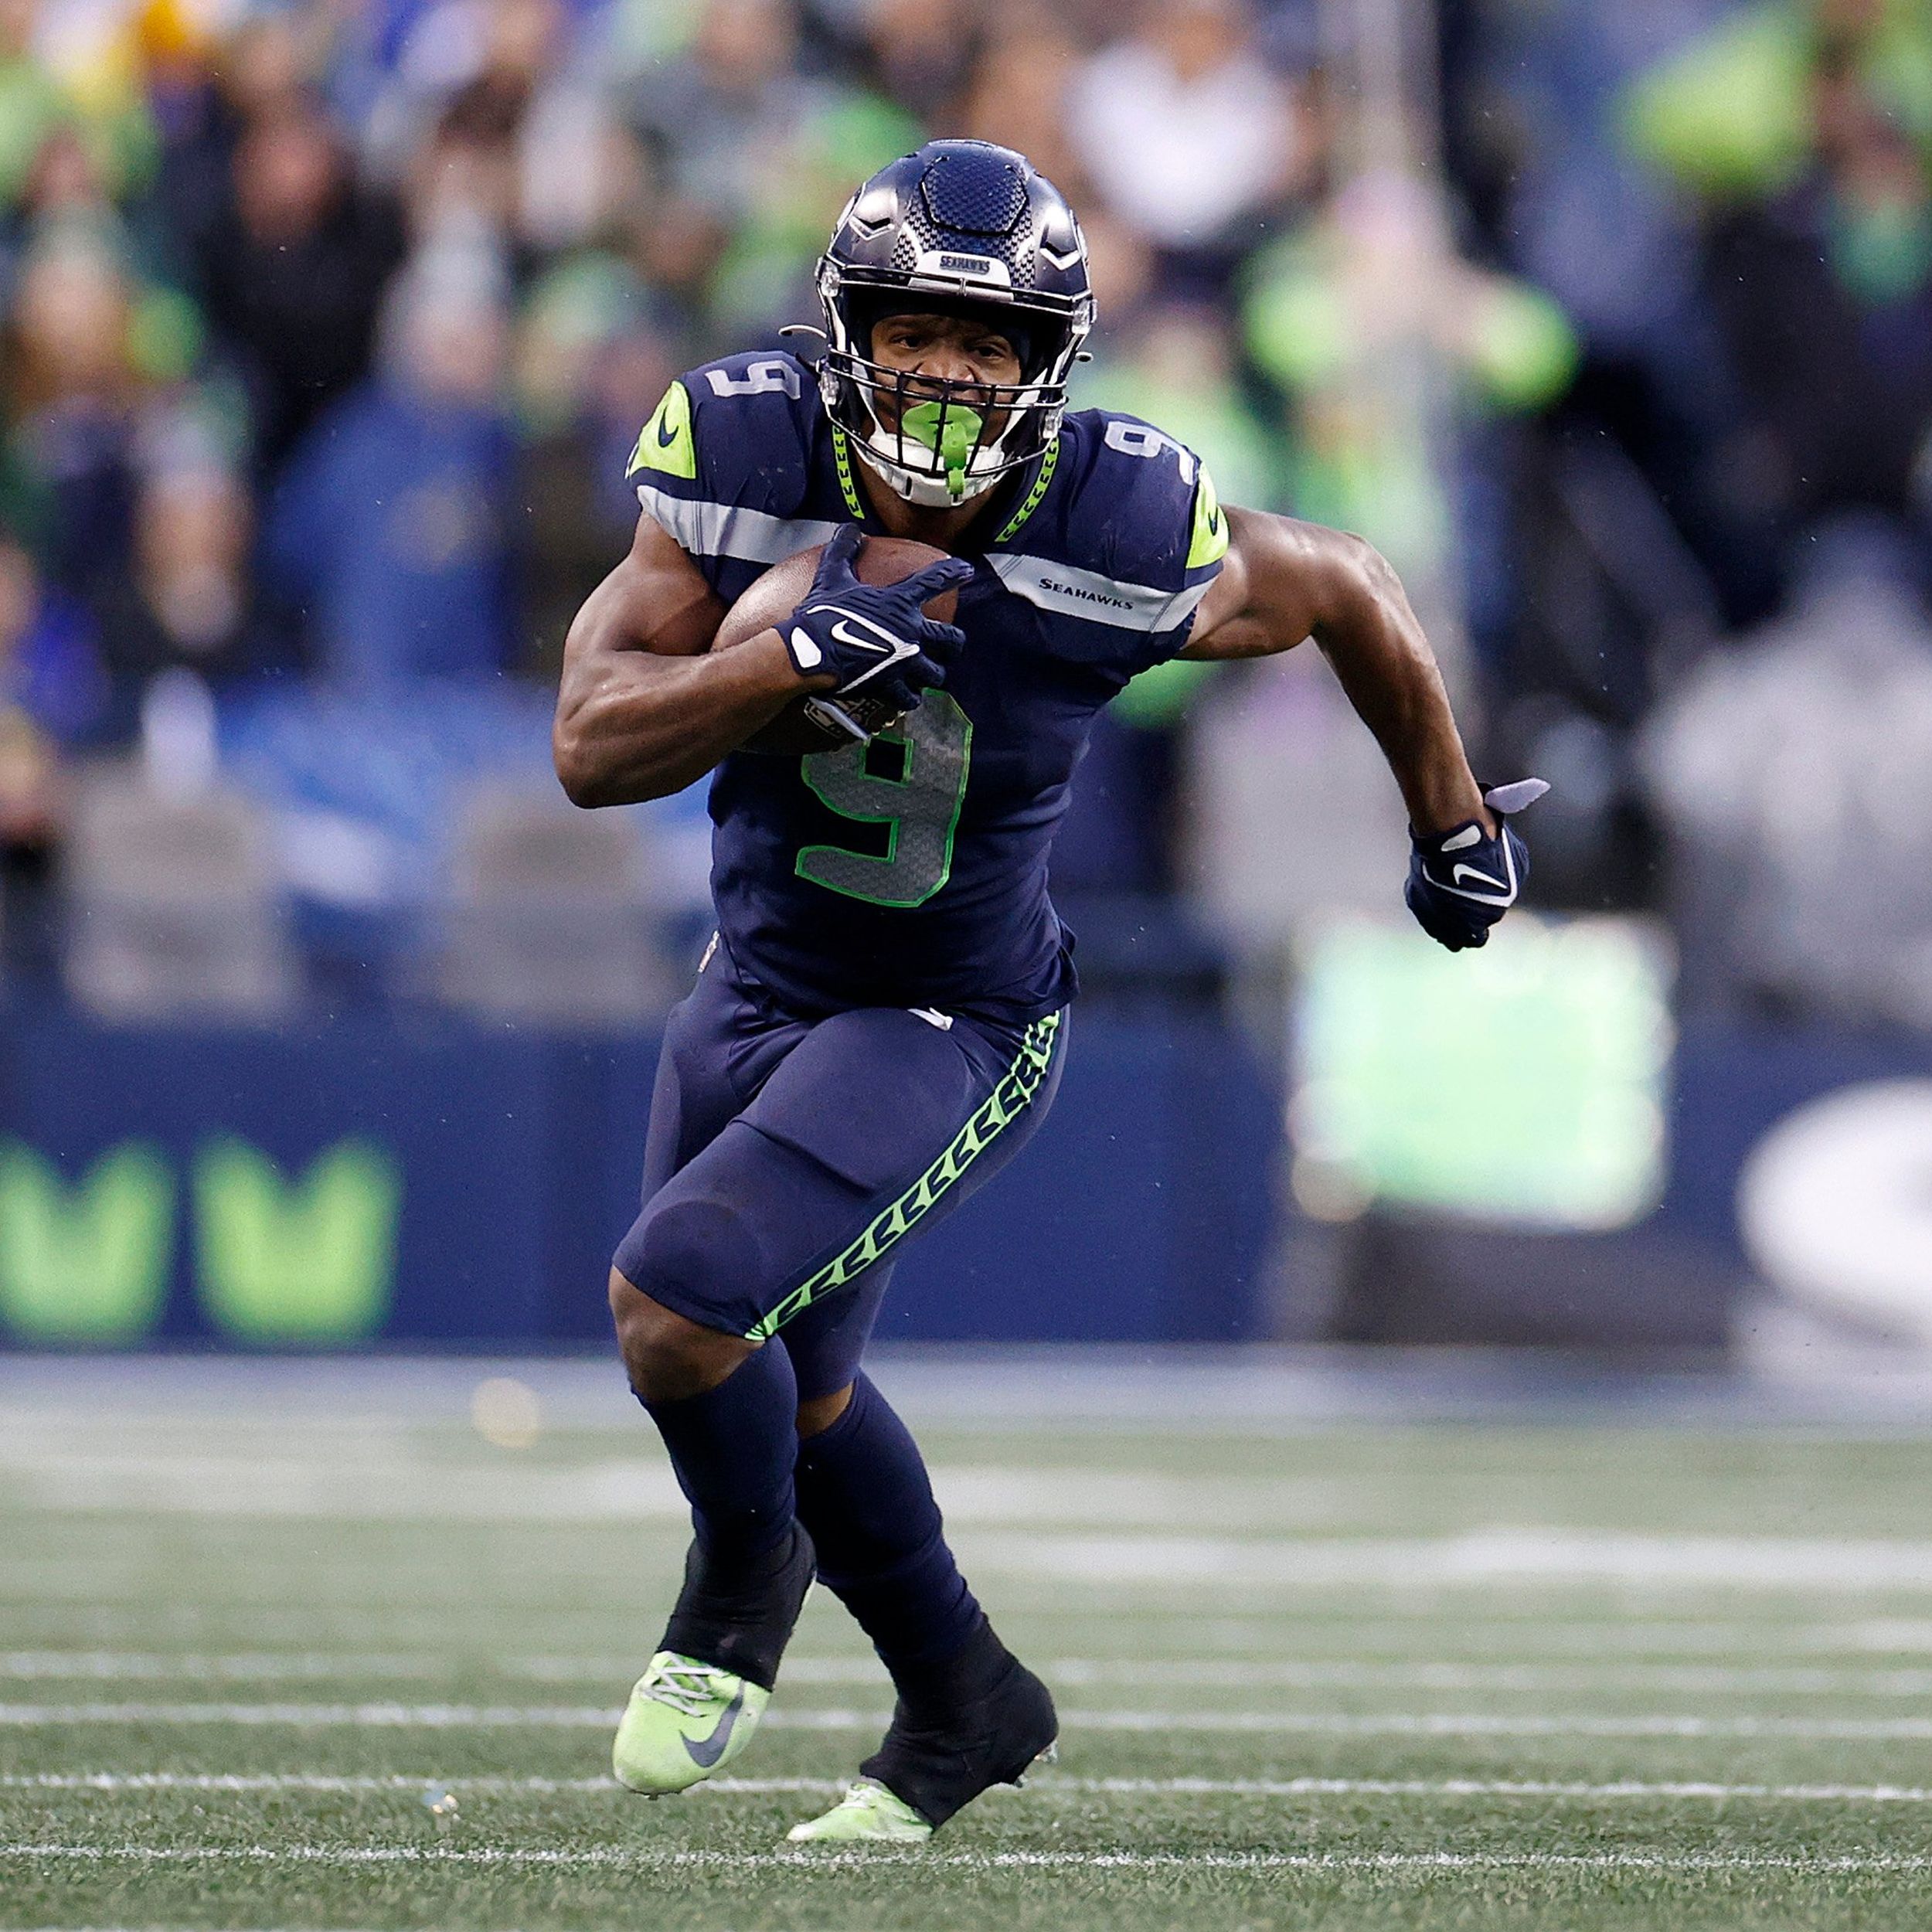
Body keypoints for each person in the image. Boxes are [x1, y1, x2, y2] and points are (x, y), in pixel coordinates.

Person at [552, 138, 1539, 1845]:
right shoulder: (745, 454)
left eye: (989, 342)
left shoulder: (1114, 519)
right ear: (846, 332)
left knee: (681, 1299)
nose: (945, 369)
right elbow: (587, 739)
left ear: (1050, 369)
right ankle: (964, 1700)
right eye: (917, 327)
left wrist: (1449, 821)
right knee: (791, 1376)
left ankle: (735, 1584)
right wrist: (775, 661)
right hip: (756, 974)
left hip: (953, 1010)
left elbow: (1346, 584)